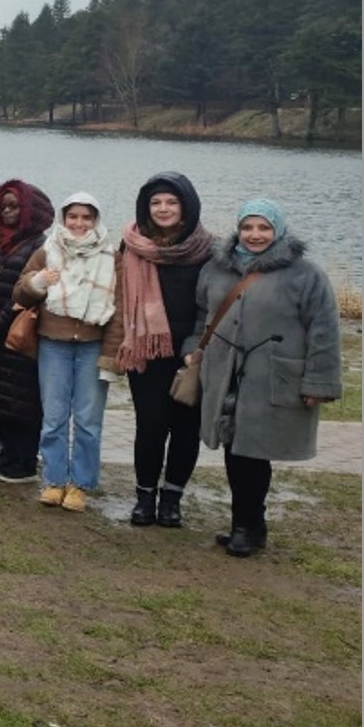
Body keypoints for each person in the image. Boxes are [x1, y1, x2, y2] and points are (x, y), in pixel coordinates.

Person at [183, 200, 341, 558]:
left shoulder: (305, 275)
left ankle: (247, 526)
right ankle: (250, 525)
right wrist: (193, 349)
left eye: (264, 228)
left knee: (254, 452)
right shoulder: (216, 269)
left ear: (278, 230)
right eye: (248, 227)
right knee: (233, 448)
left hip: (272, 377)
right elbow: (201, 316)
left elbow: (324, 330)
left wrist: (318, 382)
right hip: (224, 374)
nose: (255, 235)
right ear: (238, 229)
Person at [112, 173, 216, 526]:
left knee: (186, 428)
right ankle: (145, 498)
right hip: (147, 351)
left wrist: (196, 348)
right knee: (151, 425)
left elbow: (214, 304)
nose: (163, 208)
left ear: (187, 207)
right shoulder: (132, 245)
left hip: (192, 354)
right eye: (156, 202)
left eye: (172, 202)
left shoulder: (208, 250)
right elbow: (119, 297)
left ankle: (172, 499)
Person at [12, 192, 118, 513]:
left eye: (86, 217)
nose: (79, 223)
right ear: (63, 218)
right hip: (53, 343)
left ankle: (80, 484)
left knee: (88, 420)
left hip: (93, 344)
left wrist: (111, 355)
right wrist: (38, 281)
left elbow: (121, 310)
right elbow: (19, 292)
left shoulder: (112, 256)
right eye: (73, 216)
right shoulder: (48, 249)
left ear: (96, 220)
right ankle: (54, 480)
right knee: (54, 417)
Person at [0, 180, 56, 484]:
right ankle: (7, 453)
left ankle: (25, 459)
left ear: (30, 210)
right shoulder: (4, 243)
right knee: (2, 396)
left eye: (15, 206)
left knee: (23, 399)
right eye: (3, 206)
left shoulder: (40, 246)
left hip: (19, 331)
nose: (7, 212)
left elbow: (23, 295)